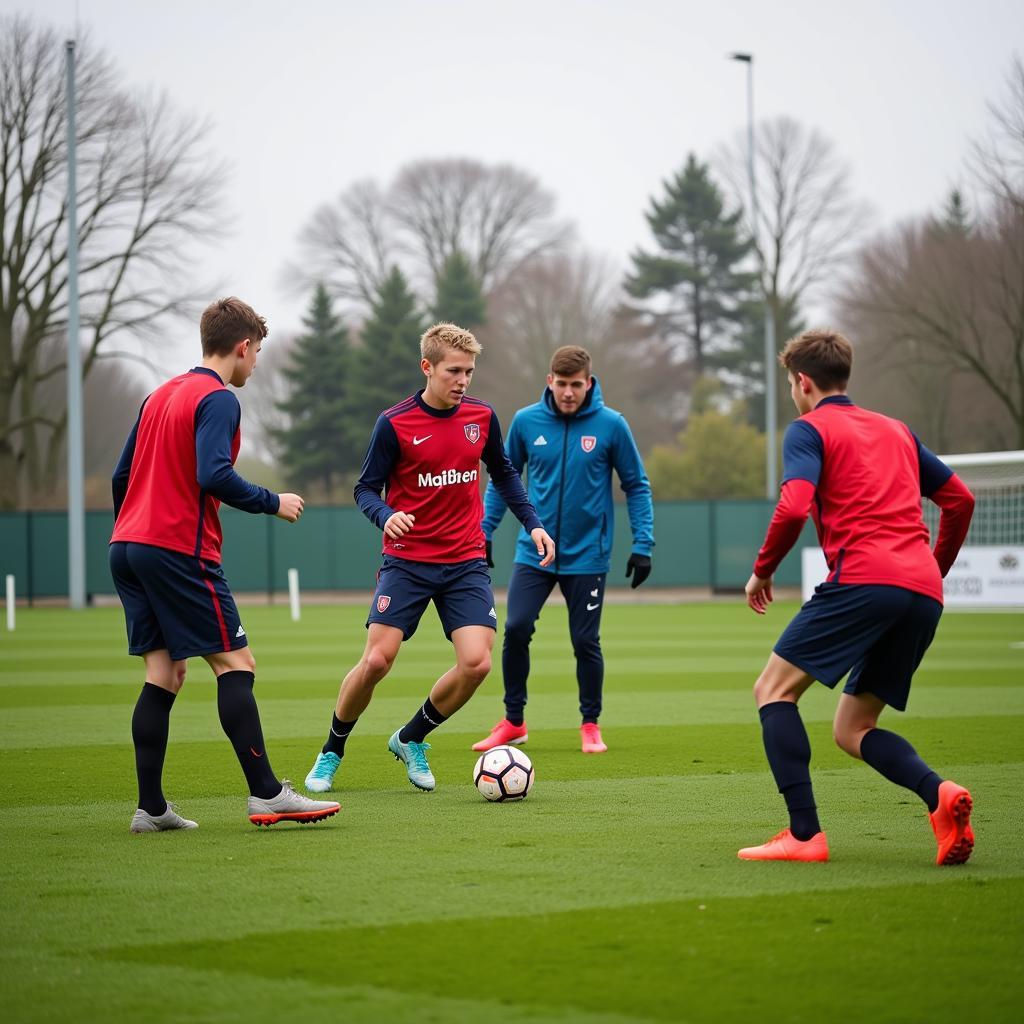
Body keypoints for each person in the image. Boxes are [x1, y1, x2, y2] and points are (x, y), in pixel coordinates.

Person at [738, 329, 976, 865]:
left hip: (864, 580)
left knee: (773, 691)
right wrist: (927, 573)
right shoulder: (896, 429)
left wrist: (761, 572)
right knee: (854, 729)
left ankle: (804, 836)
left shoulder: (808, 429)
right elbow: (959, 500)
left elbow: (795, 506)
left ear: (801, 382)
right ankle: (939, 796)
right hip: (922, 591)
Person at [110, 297, 340, 832]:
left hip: (127, 546)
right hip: (176, 550)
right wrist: (272, 501)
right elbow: (214, 474)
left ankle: (151, 808)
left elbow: (123, 478)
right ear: (241, 347)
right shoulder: (217, 399)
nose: (255, 363)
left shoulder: (158, 395)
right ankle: (267, 795)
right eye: (256, 352)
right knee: (237, 665)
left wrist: (138, 526)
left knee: (164, 674)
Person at [304, 323, 555, 794]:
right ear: (428, 367)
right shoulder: (394, 422)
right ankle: (331, 751)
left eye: (469, 371)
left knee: (477, 664)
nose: (463, 381)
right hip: (407, 561)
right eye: (453, 371)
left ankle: (411, 737)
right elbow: (364, 488)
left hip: (465, 561)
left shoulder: (481, 416)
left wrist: (534, 523)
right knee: (378, 660)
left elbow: (503, 473)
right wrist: (386, 515)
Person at [472, 345, 654, 755]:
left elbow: (636, 485)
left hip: (588, 554)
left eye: (576, 384)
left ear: (589, 383)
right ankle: (513, 722)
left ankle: (590, 724)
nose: (568, 392)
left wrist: (643, 543)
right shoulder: (525, 422)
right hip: (534, 550)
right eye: (561, 383)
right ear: (548, 381)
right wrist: (484, 531)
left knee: (585, 641)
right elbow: (504, 478)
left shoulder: (611, 425)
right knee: (515, 629)